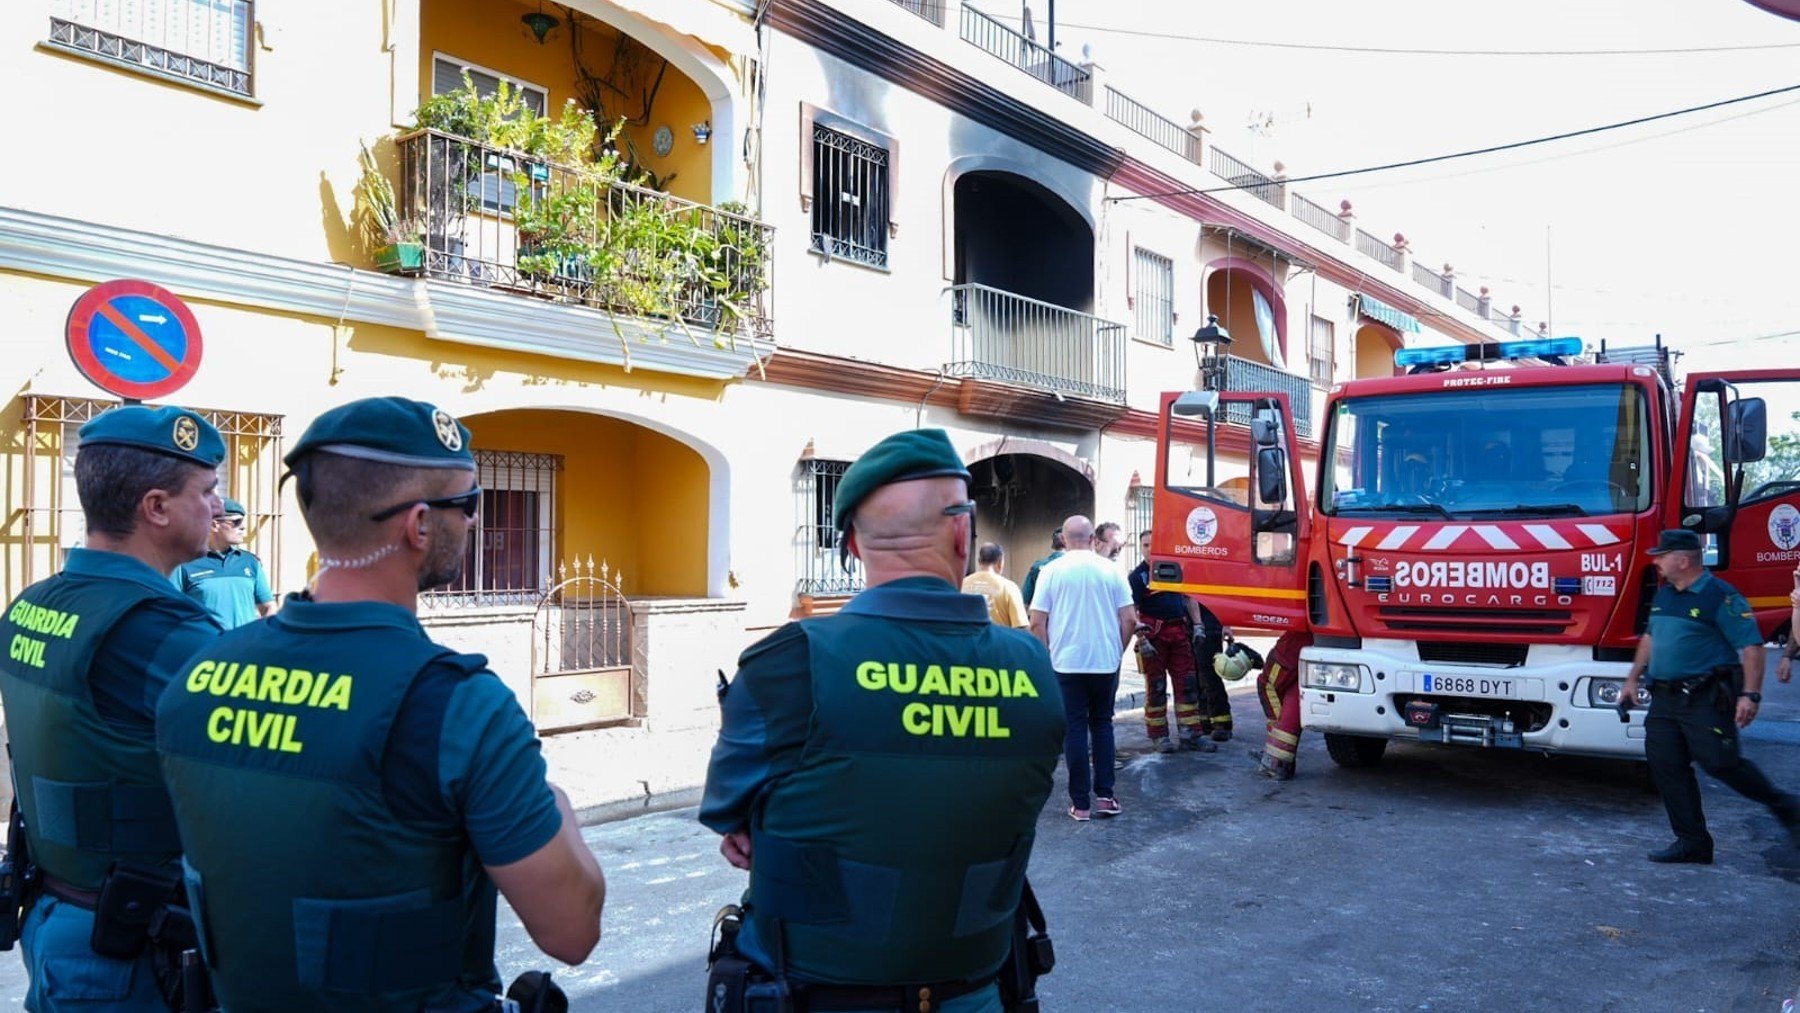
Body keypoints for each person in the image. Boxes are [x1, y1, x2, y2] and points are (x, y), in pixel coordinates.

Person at [155, 397, 605, 1010]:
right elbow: (571, 933)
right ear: (418, 525)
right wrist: (559, 810)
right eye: (469, 504)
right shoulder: (459, 706)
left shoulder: (198, 672)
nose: (476, 522)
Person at [700, 427, 1064, 1012]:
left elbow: (732, 818)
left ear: (850, 545)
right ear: (963, 529)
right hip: (974, 991)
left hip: (810, 994)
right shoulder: (1033, 667)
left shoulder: (791, 660)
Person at [0, 404, 226, 1012]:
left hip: (56, 917)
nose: (218, 509)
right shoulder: (163, 635)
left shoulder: (33, 603)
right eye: (206, 492)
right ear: (155, 508)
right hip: (127, 950)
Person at [1620, 529, 1800, 864]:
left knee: (1721, 763)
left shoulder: (1721, 596)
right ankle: (1693, 842)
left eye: (1662, 555)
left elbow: (1751, 647)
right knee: (1666, 765)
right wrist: (1632, 678)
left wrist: (1751, 695)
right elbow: (1649, 638)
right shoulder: (1665, 595)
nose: (1656, 561)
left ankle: (1787, 807)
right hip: (1664, 698)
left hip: (1705, 697)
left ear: (1683, 559)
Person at [1031, 515, 1137, 821]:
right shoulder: (1112, 570)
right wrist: (1117, 650)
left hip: (1065, 663)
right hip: (1105, 661)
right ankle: (1105, 796)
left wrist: (1047, 656)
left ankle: (1080, 804)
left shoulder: (1050, 571)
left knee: (1074, 727)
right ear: (1093, 539)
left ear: (1064, 540)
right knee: (1102, 724)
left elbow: (1036, 622)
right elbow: (1129, 619)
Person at [1127, 529, 1214, 753]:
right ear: (1140, 548)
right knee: (1156, 687)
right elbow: (1133, 611)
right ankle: (1159, 736)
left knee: (1187, 685)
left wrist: (1198, 625)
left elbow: (1189, 597)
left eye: (1152, 545)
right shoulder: (1137, 577)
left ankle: (1191, 734)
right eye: (1145, 545)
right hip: (1153, 638)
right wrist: (1141, 638)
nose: (1149, 549)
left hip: (1179, 635)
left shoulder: (1176, 569)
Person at [173, 495, 277, 629]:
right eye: (236, 522)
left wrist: (261, 637)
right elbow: (170, 610)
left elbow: (269, 606)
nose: (243, 528)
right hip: (206, 648)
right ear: (214, 525)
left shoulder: (250, 562)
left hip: (244, 647)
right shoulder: (185, 563)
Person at [1255, 631, 1314, 779]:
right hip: (1328, 635)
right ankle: (1279, 758)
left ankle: (1276, 758)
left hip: (1301, 635)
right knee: (1297, 687)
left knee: (1268, 684)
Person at [963, 541, 1029, 628]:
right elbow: (1021, 627)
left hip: (967, 640)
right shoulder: (1009, 587)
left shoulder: (962, 584)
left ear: (979, 561)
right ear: (1000, 561)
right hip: (999, 641)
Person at [1020, 528, 1065, 608]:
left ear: (1053, 544)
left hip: (1044, 618)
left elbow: (1025, 602)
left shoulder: (1037, 567)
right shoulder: (1079, 567)